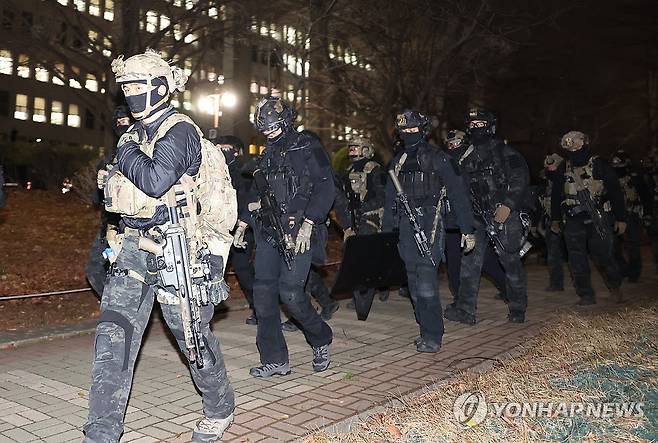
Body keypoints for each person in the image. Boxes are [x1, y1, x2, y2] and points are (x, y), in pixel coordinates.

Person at [84, 50, 236, 443]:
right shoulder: (134, 135)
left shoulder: (180, 131)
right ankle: (101, 433)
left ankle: (220, 407)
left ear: (161, 87)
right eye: (127, 87)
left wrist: (124, 151)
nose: (132, 94)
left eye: (138, 86)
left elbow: (155, 180)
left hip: (177, 248)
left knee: (192, 337)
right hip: (133, 246)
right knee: (112, 336)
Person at [233, 96, 334, 377]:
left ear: (287, 121)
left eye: (273, 127)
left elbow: (326, 187)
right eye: (265, 128)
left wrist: (310, 222)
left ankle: (321, 338)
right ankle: (275, 359)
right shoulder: (267, 154)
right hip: (268, 232)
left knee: (290, 293)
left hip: (299, 231)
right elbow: (257, 191)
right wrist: (242, 223)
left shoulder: (307, 146)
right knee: (263, 294)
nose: (268, 132)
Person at [383, 110, 476, 353]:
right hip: (405, 228)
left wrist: (467, 229)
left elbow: (458, 194)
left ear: (422, 130)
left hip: (430, 226)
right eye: (405, 130)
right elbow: (389, 201)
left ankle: (433, 335)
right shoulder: (398, 162)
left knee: (425, 281)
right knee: (413, 283)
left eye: (413, 129)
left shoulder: (440, 159)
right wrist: (385, 236)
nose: (409, 134)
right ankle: (425, 326)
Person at [444, 109, 530, 325]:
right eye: (472, 125)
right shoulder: (467, 157)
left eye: (481, 123)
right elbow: (459, 187)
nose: (476, 128)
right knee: (469, 263)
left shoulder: (504, 151)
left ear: (490, 126)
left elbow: (520, 178)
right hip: (477, 217)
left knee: (510, 262)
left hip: (504, 215)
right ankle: (465, 309)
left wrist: (508, 206)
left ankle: (518, 307)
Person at [550, 130, 625, 305]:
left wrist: (621, 218)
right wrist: (555, 219)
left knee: (603, 256)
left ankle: (615, 288)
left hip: (597, 217)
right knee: (576, 259)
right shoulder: (565, 166)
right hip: (573, 219)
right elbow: (556, 194)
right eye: (569, 144)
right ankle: (585, 294)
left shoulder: (598, 164)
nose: (573, 148)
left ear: (584, 143)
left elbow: (615, 191)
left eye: (576, 143)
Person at [442, 129, 508, 301]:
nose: (453, 147)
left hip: (473, 218)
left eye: (456, 143)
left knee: (485, 260)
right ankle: (459, 298)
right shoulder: (446, 161)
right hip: (451, 219)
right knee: (454, 262)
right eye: (450, 144)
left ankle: (508, 289)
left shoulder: (475, 159)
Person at [334, 136, 387, 309]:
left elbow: (382, 197)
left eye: (355, 148)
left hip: (370, 219)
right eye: (350, 148)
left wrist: (363, 208)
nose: (351, 151)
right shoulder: (348, 172)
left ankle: (363, 300)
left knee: (364, 260)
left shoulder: (375, 170)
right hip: (354, 220)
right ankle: (370, 289)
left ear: (365, 150)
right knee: (354, 260)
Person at [85, 105, 132, 299]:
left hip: (135, 226)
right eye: (118, 122)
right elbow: (98, 198)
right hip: (110, 225)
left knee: (134, 274)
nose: (121, 125)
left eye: (126, 121)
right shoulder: (109, 158)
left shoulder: (147, 153)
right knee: (95, 269)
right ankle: (114, 306)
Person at [216, 135, 258, 325]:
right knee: (216, 270)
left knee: (244, 271)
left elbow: (249, 198)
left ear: (237, 152)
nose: (223, 153)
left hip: (241, 228)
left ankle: (259, 309)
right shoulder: (214, 171)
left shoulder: (244, 172)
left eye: (227, 149)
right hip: (219, 229)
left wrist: (243, 223)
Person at [610, 149, 644, 282]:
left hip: (632, 212)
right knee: (613, 245)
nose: (617, 164)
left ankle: (634, 273)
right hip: (614, 214)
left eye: (620, 161)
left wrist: (647, 213)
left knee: (633, 244)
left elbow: (644, 193)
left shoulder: (635, 176)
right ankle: (623, 269)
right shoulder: (610, 177)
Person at [541, 153, 566, 291]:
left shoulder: (566, 180)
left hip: (568, 219)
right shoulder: (547, 182)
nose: (551, 169)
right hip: (551, 221)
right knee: (553, 254)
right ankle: (556, 283)